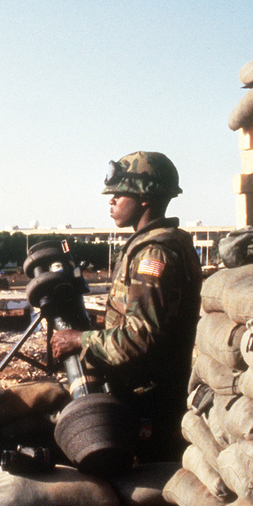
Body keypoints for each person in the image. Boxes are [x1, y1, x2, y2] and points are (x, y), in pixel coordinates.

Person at [48, 151, 202, 462]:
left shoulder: (154, 255)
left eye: (120, 194)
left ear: (145, 198)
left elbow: (142, 338)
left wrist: (79, 340)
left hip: (149, 404)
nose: (112, 201)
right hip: (143, 396)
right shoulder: (159, 244)